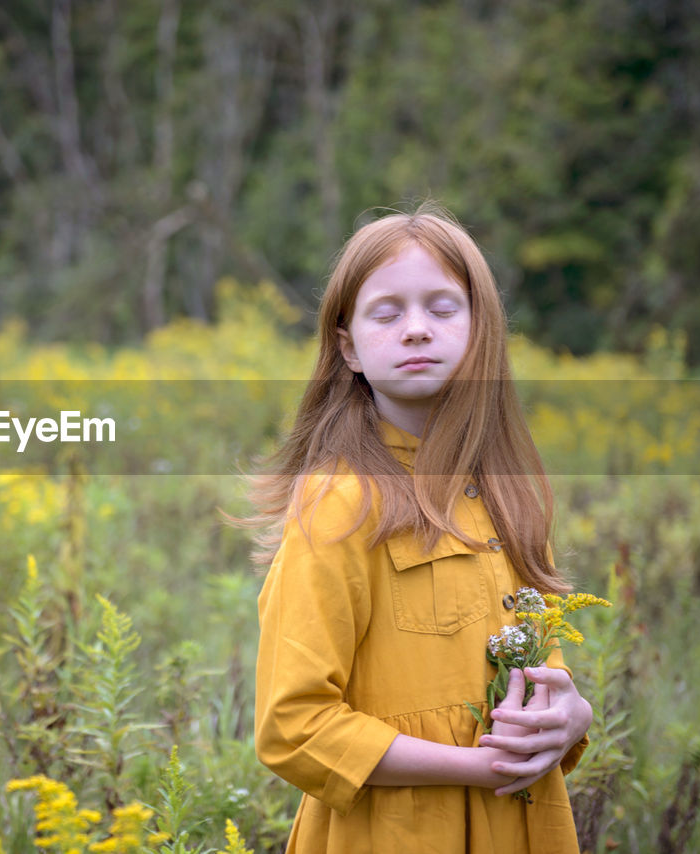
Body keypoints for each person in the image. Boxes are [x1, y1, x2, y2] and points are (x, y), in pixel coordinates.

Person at [248, 203, 591, 852]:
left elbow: (541, 677)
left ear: (480, 330)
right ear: (347, 346)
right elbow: (291, 725)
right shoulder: (340, 507)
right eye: (387, 313)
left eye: (442, 308)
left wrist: (574, 716)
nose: (416, 330)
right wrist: (472, 769)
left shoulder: (510, 500)